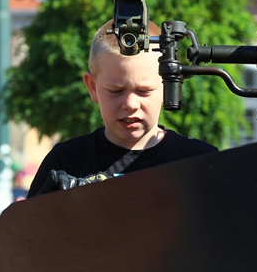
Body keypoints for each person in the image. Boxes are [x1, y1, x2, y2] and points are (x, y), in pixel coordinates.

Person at [27, 19, 217, 197]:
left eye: (144, 91)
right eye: (116, 91)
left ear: (168, 86)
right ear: (92, 87)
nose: (130, 104)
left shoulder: (202, 162)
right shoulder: (65, 162)